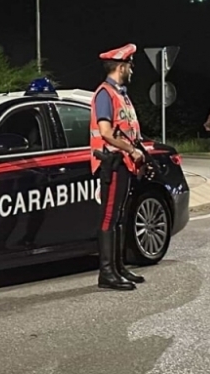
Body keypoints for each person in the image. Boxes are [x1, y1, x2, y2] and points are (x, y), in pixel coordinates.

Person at [89, 43, 146, 291]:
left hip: (124, 163)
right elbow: (104, 132)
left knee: (120, 217)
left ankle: (119, 267)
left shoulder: (120, 94)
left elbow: (127, 129)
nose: (132, 70)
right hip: (111, 163)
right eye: (130, 66)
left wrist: (138, 151)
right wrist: (131, 150)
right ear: (121, 67)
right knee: (109, 218)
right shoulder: (105, 94)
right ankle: (106, 273)